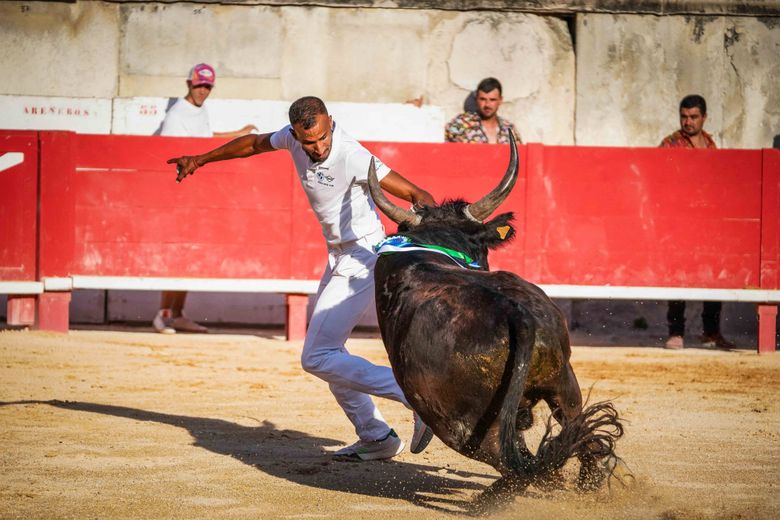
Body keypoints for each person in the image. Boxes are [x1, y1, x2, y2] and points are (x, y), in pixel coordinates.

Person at [167, 96, 436, 460]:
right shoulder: (292, 140)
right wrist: (200, 159)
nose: (318, 147)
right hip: (339, 256)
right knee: (331, 354)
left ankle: (415, 396)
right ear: (296, 132)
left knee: (317, 356)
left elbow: (418, 194)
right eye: (309, 141)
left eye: (323, 137)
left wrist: (431, 232)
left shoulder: (353, 155)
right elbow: (252, 143)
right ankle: (376, 436)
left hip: (364, 257)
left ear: (330, 122)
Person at [153, 63, 258, 334]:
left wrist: (237, 135)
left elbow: (202, 138)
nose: (203, 90)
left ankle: (176, 313)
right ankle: (164, 313)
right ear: (189, 84)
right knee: (178, 250)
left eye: (208, 86)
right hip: (179, 193)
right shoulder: (176, 115)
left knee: (186, 251)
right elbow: (170, 152)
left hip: (194, 193)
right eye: (199, 85)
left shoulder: (198, 111)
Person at [660, 94, 735, 350]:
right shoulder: (670, 144)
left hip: (707, 223)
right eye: (684, 116)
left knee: (712, 278)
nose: (688, 122)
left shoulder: (711, 144)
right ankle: (676, 333)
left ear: (704, 117)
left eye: (693, 117)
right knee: (679, 277)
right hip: (680, 221)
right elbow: (662, 180)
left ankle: (711, 333)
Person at [445, 77, 521, 144]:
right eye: (483, 99)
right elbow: (444, 147)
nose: (487, 105)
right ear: (477, 99)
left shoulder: (509, 129)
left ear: (500, 100)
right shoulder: (461, 123)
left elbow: (519, 155)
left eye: (492, 100)